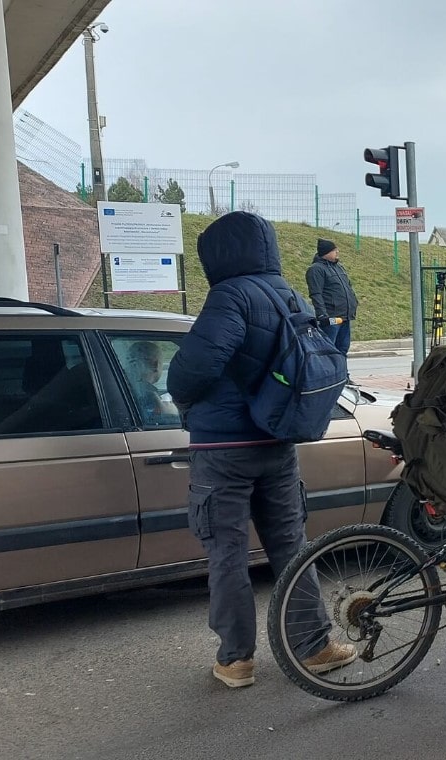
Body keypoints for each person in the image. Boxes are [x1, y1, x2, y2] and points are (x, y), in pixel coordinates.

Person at [168, 212, 356, 688]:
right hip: (278, 439)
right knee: (291, 544)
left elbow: (193, 369)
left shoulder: (230, 296)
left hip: (224, 446)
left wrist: (186, 403)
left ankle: (236, 660)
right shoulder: (288, 292)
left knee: (228, 551)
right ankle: (314, 646)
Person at [305, 238, 359, 353]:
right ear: (326, 252)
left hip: (345, 317)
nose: (337, 252)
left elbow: (348, 286)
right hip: (331, 318)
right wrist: (322, 315)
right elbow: (316, 294)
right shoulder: (316, 269)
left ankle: (341, 366)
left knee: (343, 349)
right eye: (334, 250)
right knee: (329, 350)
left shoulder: (339, 267)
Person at [123, 341, 178, 426]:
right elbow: (166, 418)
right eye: (161, 363)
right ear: (155, 365)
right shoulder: (149, 395)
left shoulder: (124, 385)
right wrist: (173, 410)